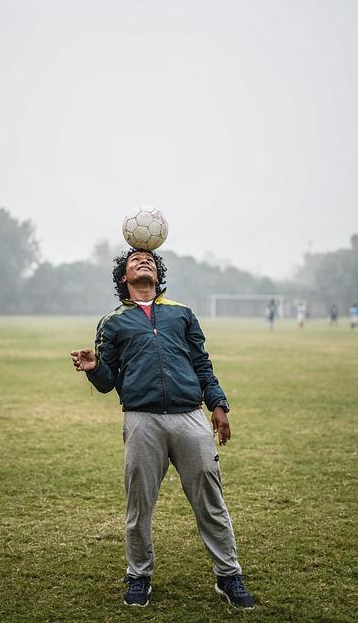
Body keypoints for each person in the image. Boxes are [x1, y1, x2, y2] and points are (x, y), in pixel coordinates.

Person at [71, 248, 255, 610]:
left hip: (190, 417)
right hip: (142, 420)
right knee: (139, 504)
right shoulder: (113, 322)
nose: (144, 261)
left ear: (158, 274)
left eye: (150, 260)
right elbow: (108, 382)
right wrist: (94, 367)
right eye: (135, 260)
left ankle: (228, 575)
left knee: (210, 500)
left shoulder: (182, 314)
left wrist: (218, 405)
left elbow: (202, 364)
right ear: (123, 277)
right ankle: (139, 575)